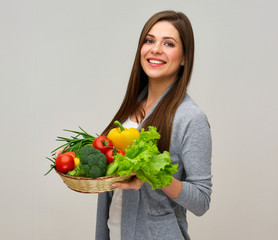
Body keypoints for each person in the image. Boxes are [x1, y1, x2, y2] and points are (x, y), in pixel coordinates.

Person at [95, 10, 212, 240]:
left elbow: (201, 200)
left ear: (185, 58)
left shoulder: (190, 118)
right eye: (149, 40)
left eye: (168, 43)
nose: (155, 49)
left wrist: (154, 174)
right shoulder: (132, 106)